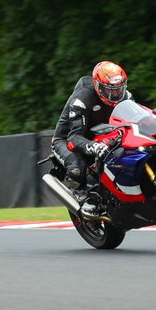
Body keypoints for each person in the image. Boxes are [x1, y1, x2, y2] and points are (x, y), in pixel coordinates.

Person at [51, 60, 131, 214]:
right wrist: (93, 146)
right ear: (98, 87)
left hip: (101, 135)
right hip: (67, 139)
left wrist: (154, 117)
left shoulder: (126, 96)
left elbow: (136, 116)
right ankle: (81, 196)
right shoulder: (81, 100)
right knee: (77, 167)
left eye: (118, 89)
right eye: (110, 90)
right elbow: (74, 137)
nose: (115, 94)